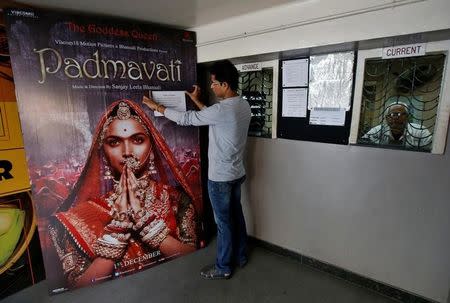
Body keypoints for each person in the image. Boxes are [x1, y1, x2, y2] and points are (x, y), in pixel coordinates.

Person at [48, 99, 200, 288]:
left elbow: (192, 255)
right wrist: (118, 229)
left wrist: (146, 224)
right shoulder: (79, 217)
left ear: (151, 147)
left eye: (137, 140)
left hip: (175, 288)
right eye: (114, 142)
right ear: (103, 151)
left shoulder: (175, 199)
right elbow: (79, 286)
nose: (127, 152)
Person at [143, 60, 251, 280]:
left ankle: (223, 267)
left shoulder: (222, 110)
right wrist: (196, 100)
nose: (211, 87)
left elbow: (187, 119)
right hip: (237, 173)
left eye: (214, 83)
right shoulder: (243, 105)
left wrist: (158, 108)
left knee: (223, 224)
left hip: (220, 179)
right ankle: (240, 256)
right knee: (236, 217)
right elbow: (214, 116)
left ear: (225, 84)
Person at [361, 97, 432, 149]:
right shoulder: (379, 130)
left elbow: (433, 148)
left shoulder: (420, 131)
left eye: (400, 115)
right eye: (392, 115)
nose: (396, 118)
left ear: (407, 117)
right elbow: (362, 142)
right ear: (386, 119)